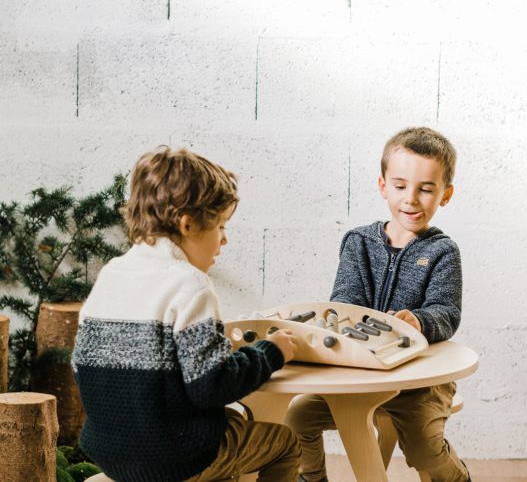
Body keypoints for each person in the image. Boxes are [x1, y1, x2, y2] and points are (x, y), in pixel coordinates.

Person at [72, 147, 301, 482]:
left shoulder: (112, 274)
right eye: (221, 226)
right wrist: (273, 352)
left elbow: (83, 368)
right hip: (173, 460)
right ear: (188, 224)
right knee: (284, 443)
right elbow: (211, 386)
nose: (224, 240)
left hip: (111, 452)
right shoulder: (191, 285)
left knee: (230, 425)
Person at [285, 127, 470, 482]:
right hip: (359, 376)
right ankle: (312, 479)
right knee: (296, 419)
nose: (411, 199)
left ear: (445, 195)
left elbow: (447, 313)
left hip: (419, 384)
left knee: (423, 450)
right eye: (400, 186)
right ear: (383, 185)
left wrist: (417, 320)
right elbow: (343, 301)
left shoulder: (443, 252)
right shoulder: (358, 241)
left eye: (426, 189)